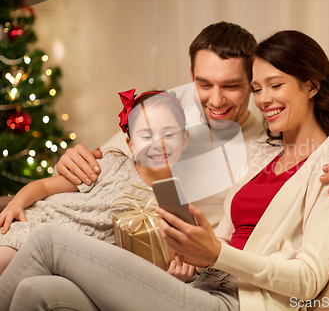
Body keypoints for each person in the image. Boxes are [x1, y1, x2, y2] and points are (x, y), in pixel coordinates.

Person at [1, 30, 329, 311]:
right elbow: (119, 158)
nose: (264, 98)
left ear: (312, 86)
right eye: (258, 88)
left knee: (47, 241)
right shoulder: (264, 155)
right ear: (192, 78)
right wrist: (193, 258)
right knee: (40, 290)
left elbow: (308, 277)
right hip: (195, 281)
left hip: (236, 300)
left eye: (273, 86)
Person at [53, 22, 329, 229]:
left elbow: (321, 161)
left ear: (253, 82)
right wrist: (71, 161)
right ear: (191, 79)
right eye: (204, 85)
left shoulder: (272, 136)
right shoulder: (165, 114)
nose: (216, 101)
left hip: (194, 263)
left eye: (231, 86)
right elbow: (109, 160)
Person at [0, 90, 190, 274]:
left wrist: (179, 274)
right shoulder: (110, 164)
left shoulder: (173, 202)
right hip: (36, 226)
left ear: (184, 139)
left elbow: (172, 260)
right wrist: (16, 204)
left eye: (168, 134)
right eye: (147, 136)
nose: (157, 143)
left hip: (69, 262)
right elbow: (44, 186)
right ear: (131, 144)